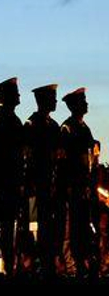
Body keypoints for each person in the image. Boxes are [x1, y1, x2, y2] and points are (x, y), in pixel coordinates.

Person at [23, 84, 61, 277]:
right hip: (37, 184)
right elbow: (27, 157)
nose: (55, 101)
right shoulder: (32, 125)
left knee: (50, 227)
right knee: (35, 227)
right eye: (52, 98)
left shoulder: (53, 125)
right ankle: (33, 265)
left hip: (50, 183)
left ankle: (48, 263)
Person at [0, 77, 24, 276]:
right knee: (0, 228)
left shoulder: (13, 119)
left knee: (10, 228)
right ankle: (1, 266)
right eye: (14, 92)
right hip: (1, 183)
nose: (18, 96)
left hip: (12, 182)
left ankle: (10, 266)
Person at [60, 87, 97, 278]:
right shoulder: (67, 129)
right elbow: (64, 164)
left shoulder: (84, 128)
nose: (86, 104)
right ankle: (71, 266)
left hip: (84, 187)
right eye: (82, 101)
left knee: (83, 228)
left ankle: (83, 263)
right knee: (71, 230)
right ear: (74, 106)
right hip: (72, 187)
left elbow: (91, 154)